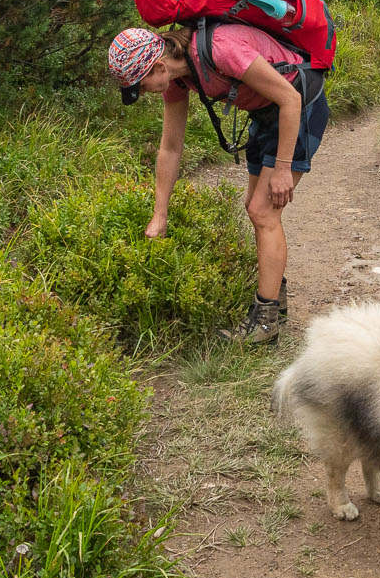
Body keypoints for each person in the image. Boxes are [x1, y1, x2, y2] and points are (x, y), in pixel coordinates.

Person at [107, 23, 330, 344]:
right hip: (267, 113)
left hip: (299, 106)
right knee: (254, 207)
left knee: (263, 212)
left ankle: (265, 323)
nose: (143, 94)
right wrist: (160, 214)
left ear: (157, 66)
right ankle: (274, 300)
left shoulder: (222, 49)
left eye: (140, 87)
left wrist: (283, 168)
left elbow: (290, 99)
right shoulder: (177, 78)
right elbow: (170, 148)